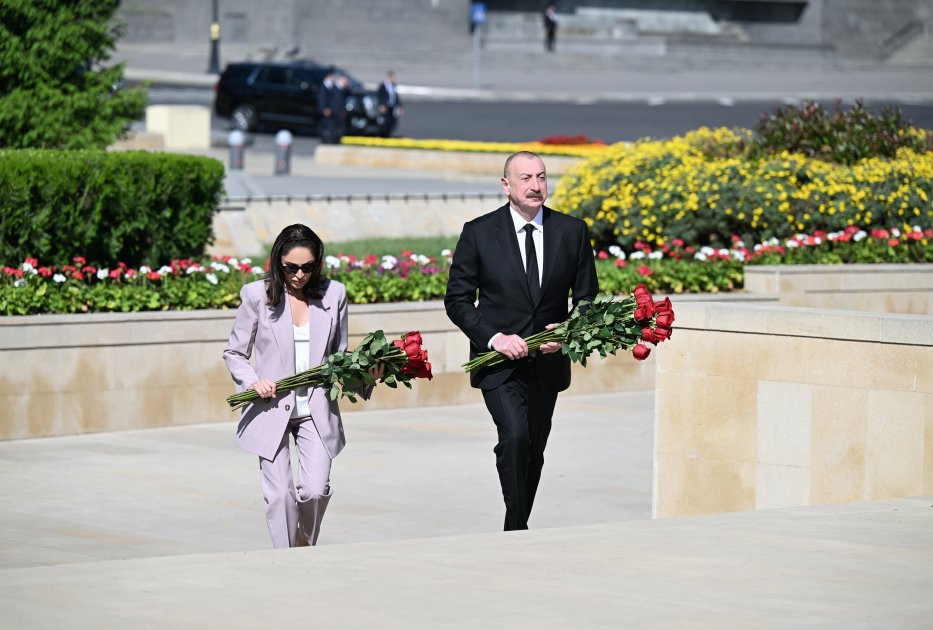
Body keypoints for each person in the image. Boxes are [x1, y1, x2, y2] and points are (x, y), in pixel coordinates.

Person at [444, 151, 598, 531]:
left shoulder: (572, 231)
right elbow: (457, 300)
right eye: (526, 178)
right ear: (506, 185)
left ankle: (516, 524)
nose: (535, 185)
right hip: (498, 363)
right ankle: (516, 529)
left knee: (534, 449)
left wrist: (565, 334)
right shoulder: (479, 232)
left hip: (548, 363)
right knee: (514, 437)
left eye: (541, 177)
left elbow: (586, 298)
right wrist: (494, 338)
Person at [223, 224, 381, 548]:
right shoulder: (256, 295)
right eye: (291, 267)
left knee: (315, 491)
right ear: (277, 262)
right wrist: (254, 381)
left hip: (316, 410)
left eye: (307, 267)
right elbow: (235, 353)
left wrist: (368, 375)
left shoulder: (334, 294)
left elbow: (338, 356)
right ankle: (287, 561)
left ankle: (302, 547)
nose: (299, 275)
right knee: (280, 496)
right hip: (269, 409)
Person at [316, 70, 344, 144]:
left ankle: (329, 139)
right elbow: (322, 98)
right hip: (325, 110)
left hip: (329, 109)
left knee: (330, 125)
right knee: (324, 125)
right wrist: (324, 108)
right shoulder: (324, 86)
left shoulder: (331, 86)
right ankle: (325, 139)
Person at [376, 70, 403, 137]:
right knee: (384, 121)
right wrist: (381, 105)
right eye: (393, 77)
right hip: (385, 107)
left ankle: (388, 134)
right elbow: (379, 96)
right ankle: (382, 135)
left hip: (392, 106)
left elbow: (395, 97)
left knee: (392, 121)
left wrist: (400, 106)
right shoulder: (383, 86)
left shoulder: (393, 86)